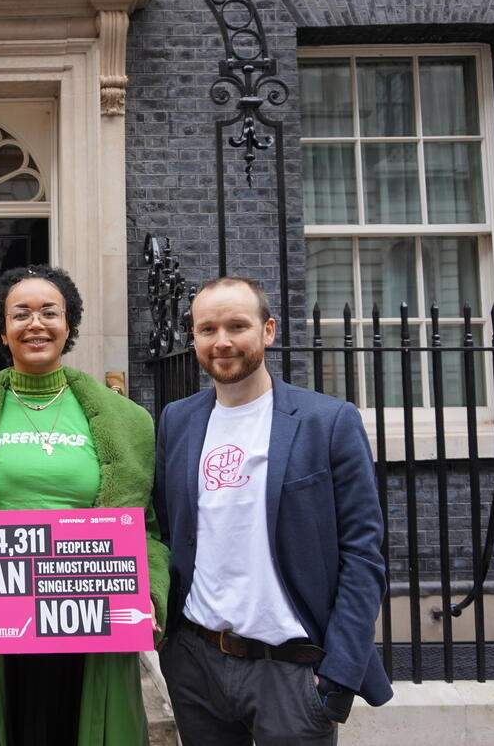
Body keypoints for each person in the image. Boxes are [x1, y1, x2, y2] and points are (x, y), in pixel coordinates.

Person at [0, 265, 170, 746]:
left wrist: (149, 593)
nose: (36, 324)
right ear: (2, 328)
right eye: (21, 313)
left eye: (50, 312)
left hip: (94, 624)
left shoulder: (126, 420)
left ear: (69, 324)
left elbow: (147, 530)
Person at [153, 276, 392, 746]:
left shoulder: (329, 421)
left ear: (268, 331)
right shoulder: (177, 420)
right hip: (196, 664)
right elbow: (163, 532)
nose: (221, 342)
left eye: (237, 326)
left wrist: (337, 678)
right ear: (195, 338)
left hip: (292, 671)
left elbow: (363, 557)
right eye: (207, 329)